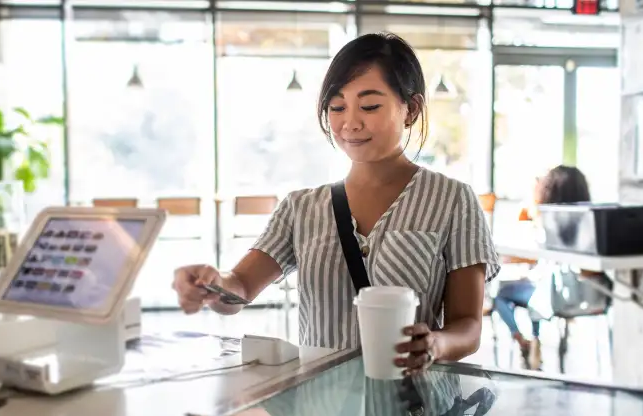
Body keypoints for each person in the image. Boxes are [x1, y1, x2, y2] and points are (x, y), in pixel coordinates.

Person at [173, 32, 500, 375]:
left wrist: (435, 344)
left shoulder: (452, 200)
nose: (350, 123)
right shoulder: (301, 209)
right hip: (321, 413)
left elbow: (468, 327)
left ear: (411, 109)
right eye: (337, 107)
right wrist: (210, 286)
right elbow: (238, 288)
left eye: (370, 106)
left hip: (414, 410)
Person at [493, 164, 592, 370]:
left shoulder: (549, 226)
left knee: (502, 294)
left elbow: (530, 254)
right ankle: (533, 343)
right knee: (533, 291)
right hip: (588, 296)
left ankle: (523, 341)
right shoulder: (590, 223)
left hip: (555, 295)